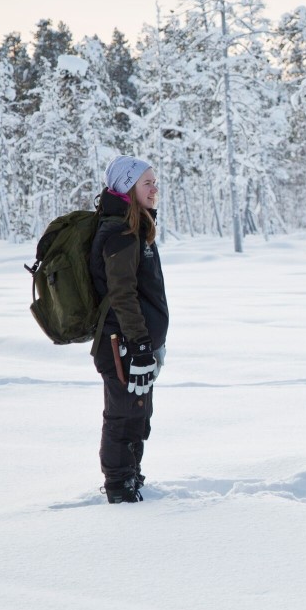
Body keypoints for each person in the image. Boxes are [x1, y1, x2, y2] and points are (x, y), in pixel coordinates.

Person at [89, 156, 169, 504]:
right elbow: (122, 294)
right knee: (124, 415)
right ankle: (120, 489)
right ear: (127, 187)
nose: (154, 188)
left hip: (133, 344)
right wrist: (137, 344)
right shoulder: (120, 232)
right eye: (146, 183)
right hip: (120, 344)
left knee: (137, 412)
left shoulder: (134, 229)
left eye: (154, 181)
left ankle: (131, 477)